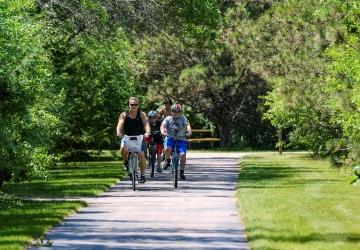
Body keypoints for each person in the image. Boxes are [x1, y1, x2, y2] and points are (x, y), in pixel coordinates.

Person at [116, 97, 151, 184]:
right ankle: (125, 162)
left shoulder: (141, 114)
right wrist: (118, 133)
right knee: (123, 148)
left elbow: (146, 123)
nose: (134, 106)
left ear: (138, 105)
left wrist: (148, 132)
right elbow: (119, 124)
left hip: (139, 137)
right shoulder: (124, 114)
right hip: (127, 136)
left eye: (135, 105)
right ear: (129, 105)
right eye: (132, 104)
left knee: (141, 154)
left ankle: (142, 176)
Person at [160, 103, 192, 180]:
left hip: (181, 138)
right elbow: (162, 126)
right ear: (171, 111)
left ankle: (181, 173)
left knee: (182, 154)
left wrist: (189, 132)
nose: (176, 113)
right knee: (168, 148)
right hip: (170, 137)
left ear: (180, 112)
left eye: (177, 111)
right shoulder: (168, 118)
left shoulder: (183, 118)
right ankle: (167, 161)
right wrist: (162, 131)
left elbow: (188, 126)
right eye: (174, 111)